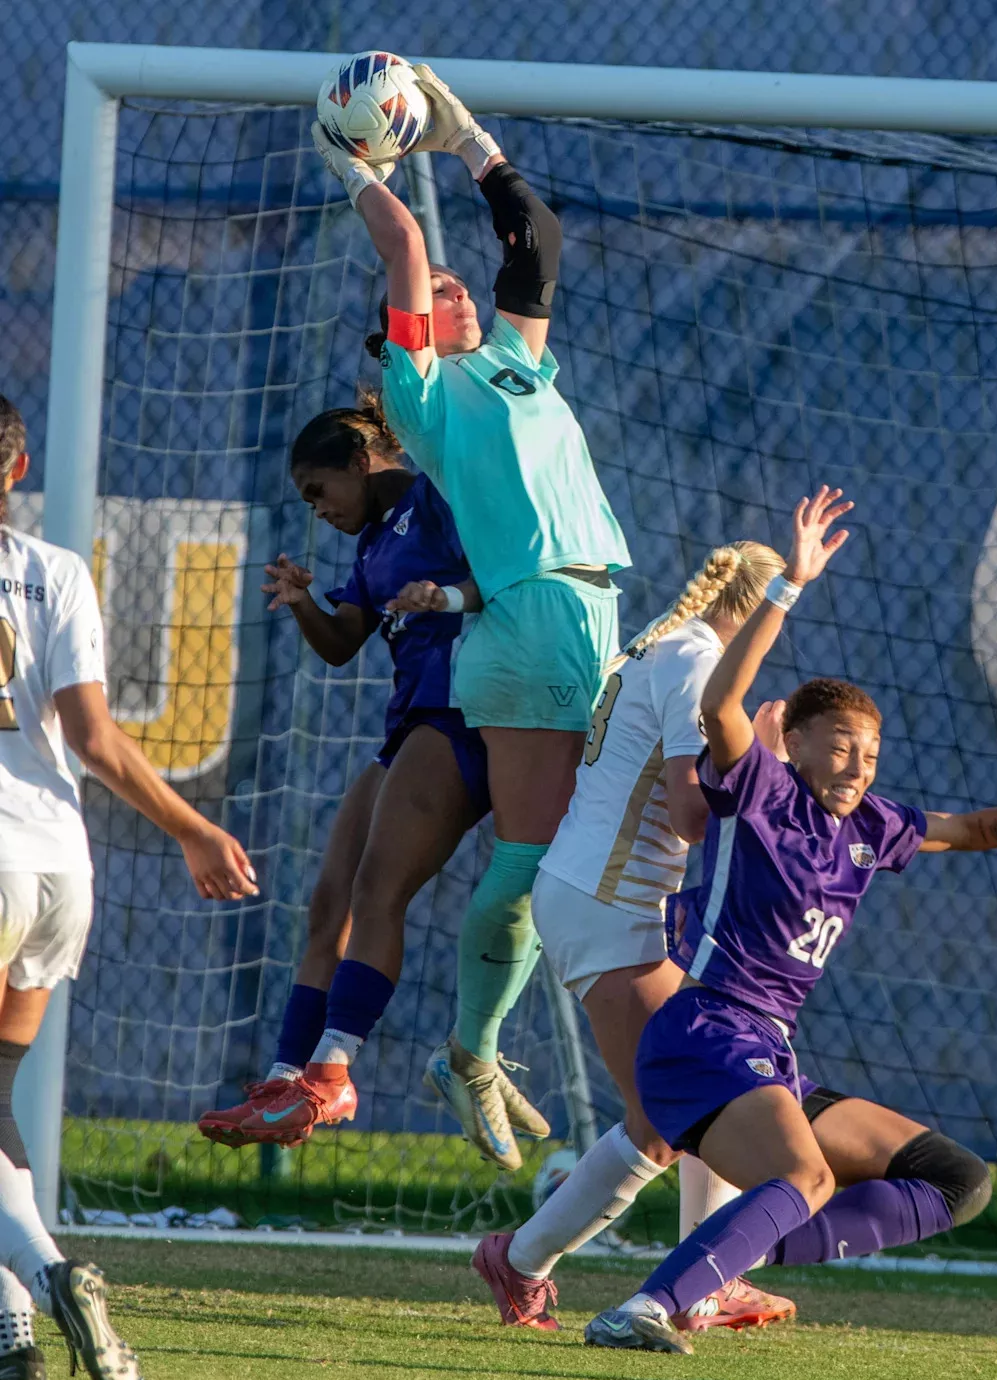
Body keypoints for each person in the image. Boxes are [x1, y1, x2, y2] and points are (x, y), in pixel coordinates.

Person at [582, 487, 997, 1353]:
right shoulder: (761, 790)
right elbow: (723, 707)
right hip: (703, 1034)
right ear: (801, 741)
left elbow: (976, 830)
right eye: (842, 744)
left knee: (954, 1179)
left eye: (872, 751)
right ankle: (647, 1307)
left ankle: (713, 1265)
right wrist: (790, 587)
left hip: (767, 1049)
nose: (858, 763)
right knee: (804, 1175)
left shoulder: (872, 826)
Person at [311, 65, 632, 1168]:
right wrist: (352, 164)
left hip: (580, 616)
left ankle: (490, 1050)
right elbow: (403, 248)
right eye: (436, 290)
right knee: (541, 863)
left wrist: (469, 141)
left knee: (577, 860)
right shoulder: (425, 392)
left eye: (460, 282)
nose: (453, 284)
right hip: (537, 628)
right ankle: (470, 1051)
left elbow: (534, 238)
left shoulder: (513, 363)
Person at [196, 395, 547, 1150]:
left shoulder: (442, 498)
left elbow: (515, 569)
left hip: (462, 716)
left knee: (377, 888)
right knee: (329, 904)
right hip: (409, 725)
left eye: (319, 490)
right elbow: (340, 642)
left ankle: (334, 1071)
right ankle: (289, 1078)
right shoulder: (370, 545)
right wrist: (301, 601)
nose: (316, 510)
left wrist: (450, 597)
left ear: (361, 460)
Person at [0, 395, 259, 1380]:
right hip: (59, 863)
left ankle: (47, 1276)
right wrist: (194, 828)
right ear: (17, 472)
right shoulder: (56, 571)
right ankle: (14, 1337)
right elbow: (96, 742)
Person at [473, 539, 797, 1334]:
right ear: (750, 610)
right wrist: (767, 767)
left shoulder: (665, 642)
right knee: (661, 1121)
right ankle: (518, 1260)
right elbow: (692, 813)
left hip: (603, 897)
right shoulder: (693, 661)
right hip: (610, 904)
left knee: (704, 1091)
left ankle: (709, 1276)